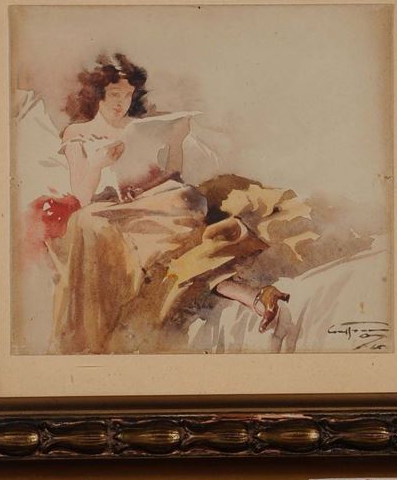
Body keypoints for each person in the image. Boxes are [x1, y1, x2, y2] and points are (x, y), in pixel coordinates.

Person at [41, 53, 290, 354]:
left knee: (184, 197)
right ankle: (251, 295)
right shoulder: (78, 133)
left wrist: (175, 143)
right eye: (115, 94)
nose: (122, 102)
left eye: (128, 95)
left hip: (147, 201)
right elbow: (80, 196)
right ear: (98, 94)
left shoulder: (137, 127)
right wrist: (98, 164)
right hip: (105, 210)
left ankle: (253, 296)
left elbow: (172, 175)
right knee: (97, 224)